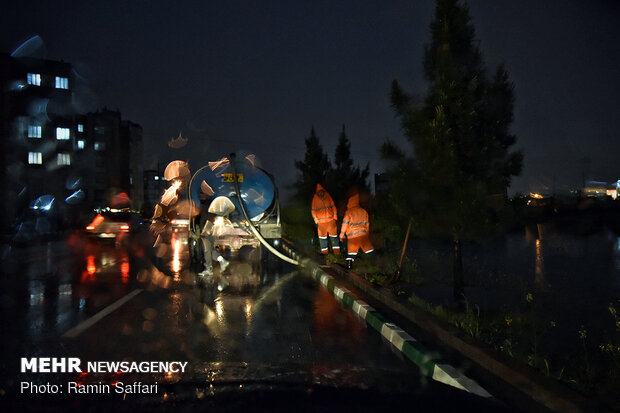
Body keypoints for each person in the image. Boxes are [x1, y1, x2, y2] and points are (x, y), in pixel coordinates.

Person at [340, 192, 373, 269]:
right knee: (369, 249)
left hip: (352, 237)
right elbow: (367, 224)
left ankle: (349, 266)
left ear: (350, 203)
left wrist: (341, 235)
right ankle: (375, 264)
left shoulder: (348, 212)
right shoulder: (363, 211)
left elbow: (344, 224)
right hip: (363, 235)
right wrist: (366, 233)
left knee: (351, 252)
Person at [311, 184, 340, 255]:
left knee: (334, 238)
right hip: (321, 223)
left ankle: (337, 254)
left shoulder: (328, 196)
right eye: (319, 192)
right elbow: (313, 210)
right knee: (322, 239)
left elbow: (333, 206)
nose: (320, 193)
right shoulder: (315, 198)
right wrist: (316, 221)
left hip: (331, 222)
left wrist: (335, 217)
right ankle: (325, 254)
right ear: (317, 192)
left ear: (323, 191)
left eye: (321, 191)